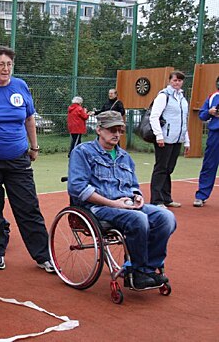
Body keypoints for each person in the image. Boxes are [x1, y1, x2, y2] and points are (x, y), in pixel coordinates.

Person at [0, 45, 54, 273]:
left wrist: (34, 147)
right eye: (1, 64)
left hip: (17, 159)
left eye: (9, 64)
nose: (6, 69)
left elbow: (29, 119)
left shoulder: (21, 86)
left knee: (28, 207)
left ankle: (44, 256)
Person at [68, 111, 177, 289]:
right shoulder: (82, 152)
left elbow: (133, 185)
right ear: (99, 130)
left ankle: (148, 268)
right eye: (112, 130)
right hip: (97, 207)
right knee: (139, 219)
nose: (117, 134)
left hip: (126, 205)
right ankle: (138, 270)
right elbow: (78, 188)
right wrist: (114, 204)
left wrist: (137, 196)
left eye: (120, 130)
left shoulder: (125, 156)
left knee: (166, 217)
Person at [149, 70, 190, 208]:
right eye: (175, 80)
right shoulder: (163, 96)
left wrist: (186, 140)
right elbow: (154, 116)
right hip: (165, 139)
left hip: (177, 139)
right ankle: (156, 199)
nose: (177, 83)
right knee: (161, 168)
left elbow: (183, 120)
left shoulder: (183, 99)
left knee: (169, 168)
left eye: (180, 80)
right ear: (169, 81)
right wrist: (159, 136)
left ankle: (166, 197)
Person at [194, 76, 219, 207]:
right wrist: (210, 112)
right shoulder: (213, 97)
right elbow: (202, 115)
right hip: (215, 135)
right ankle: (201, 195)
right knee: (209, 165)